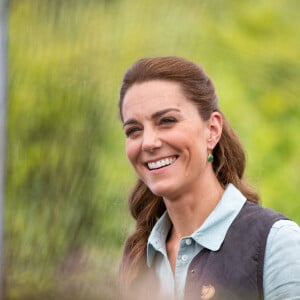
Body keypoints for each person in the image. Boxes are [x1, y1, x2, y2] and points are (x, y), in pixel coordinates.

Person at [118, 56, 300, 300]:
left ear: (212, 130)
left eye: (167, 121)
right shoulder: (138, 259)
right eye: (134, 130)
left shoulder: (277, 244)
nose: (148, 142)